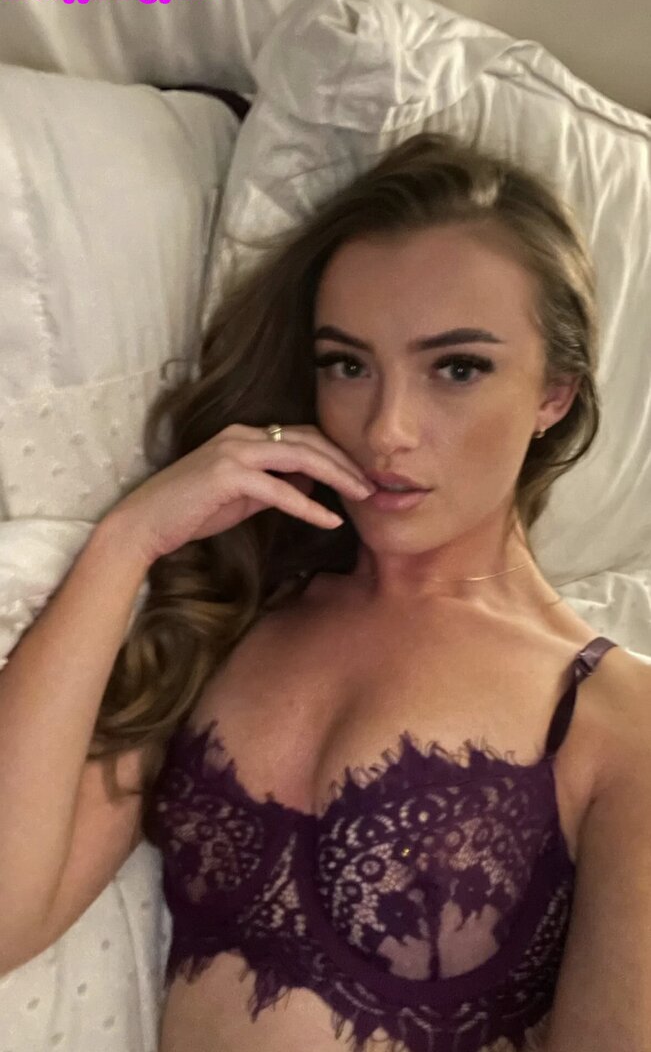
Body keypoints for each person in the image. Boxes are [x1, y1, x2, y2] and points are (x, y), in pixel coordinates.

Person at [0, 132, 649, 1052]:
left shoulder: (617, 723)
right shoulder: (236, 604)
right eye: (347, 364)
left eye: (456, 369)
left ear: (554, 393)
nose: (385, 430)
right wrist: (127, 541)